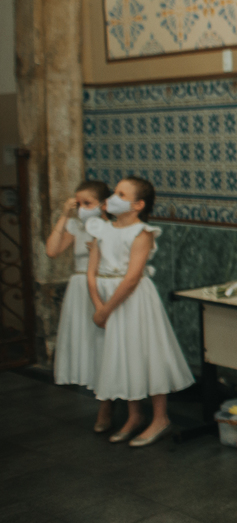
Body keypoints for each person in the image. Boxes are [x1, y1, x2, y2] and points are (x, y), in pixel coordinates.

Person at [86, 176, 193, 446]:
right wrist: (98, 305)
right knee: (123, 354)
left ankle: (160, 417)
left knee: (145, 352)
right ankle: (134, 415)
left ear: (138, 205)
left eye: (121, 195)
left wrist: (106, 310)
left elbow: (132, 278)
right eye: (114, 192)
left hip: (131, 300)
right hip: (107, 299)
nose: (112, 198)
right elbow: (92, 270)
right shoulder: (102, 228)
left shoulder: (142, 233)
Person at [49, 179, 113, 431]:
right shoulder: (75, 225)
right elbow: (52, 250)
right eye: (79, 203)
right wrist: (65, 216)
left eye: (88, 203)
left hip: (101, 288)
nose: (83, 207)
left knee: (103, 345)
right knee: (87, 345)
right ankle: (98, 393)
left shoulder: (111, 227)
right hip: (78, 289)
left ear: (102, 204)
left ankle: (106, 404)